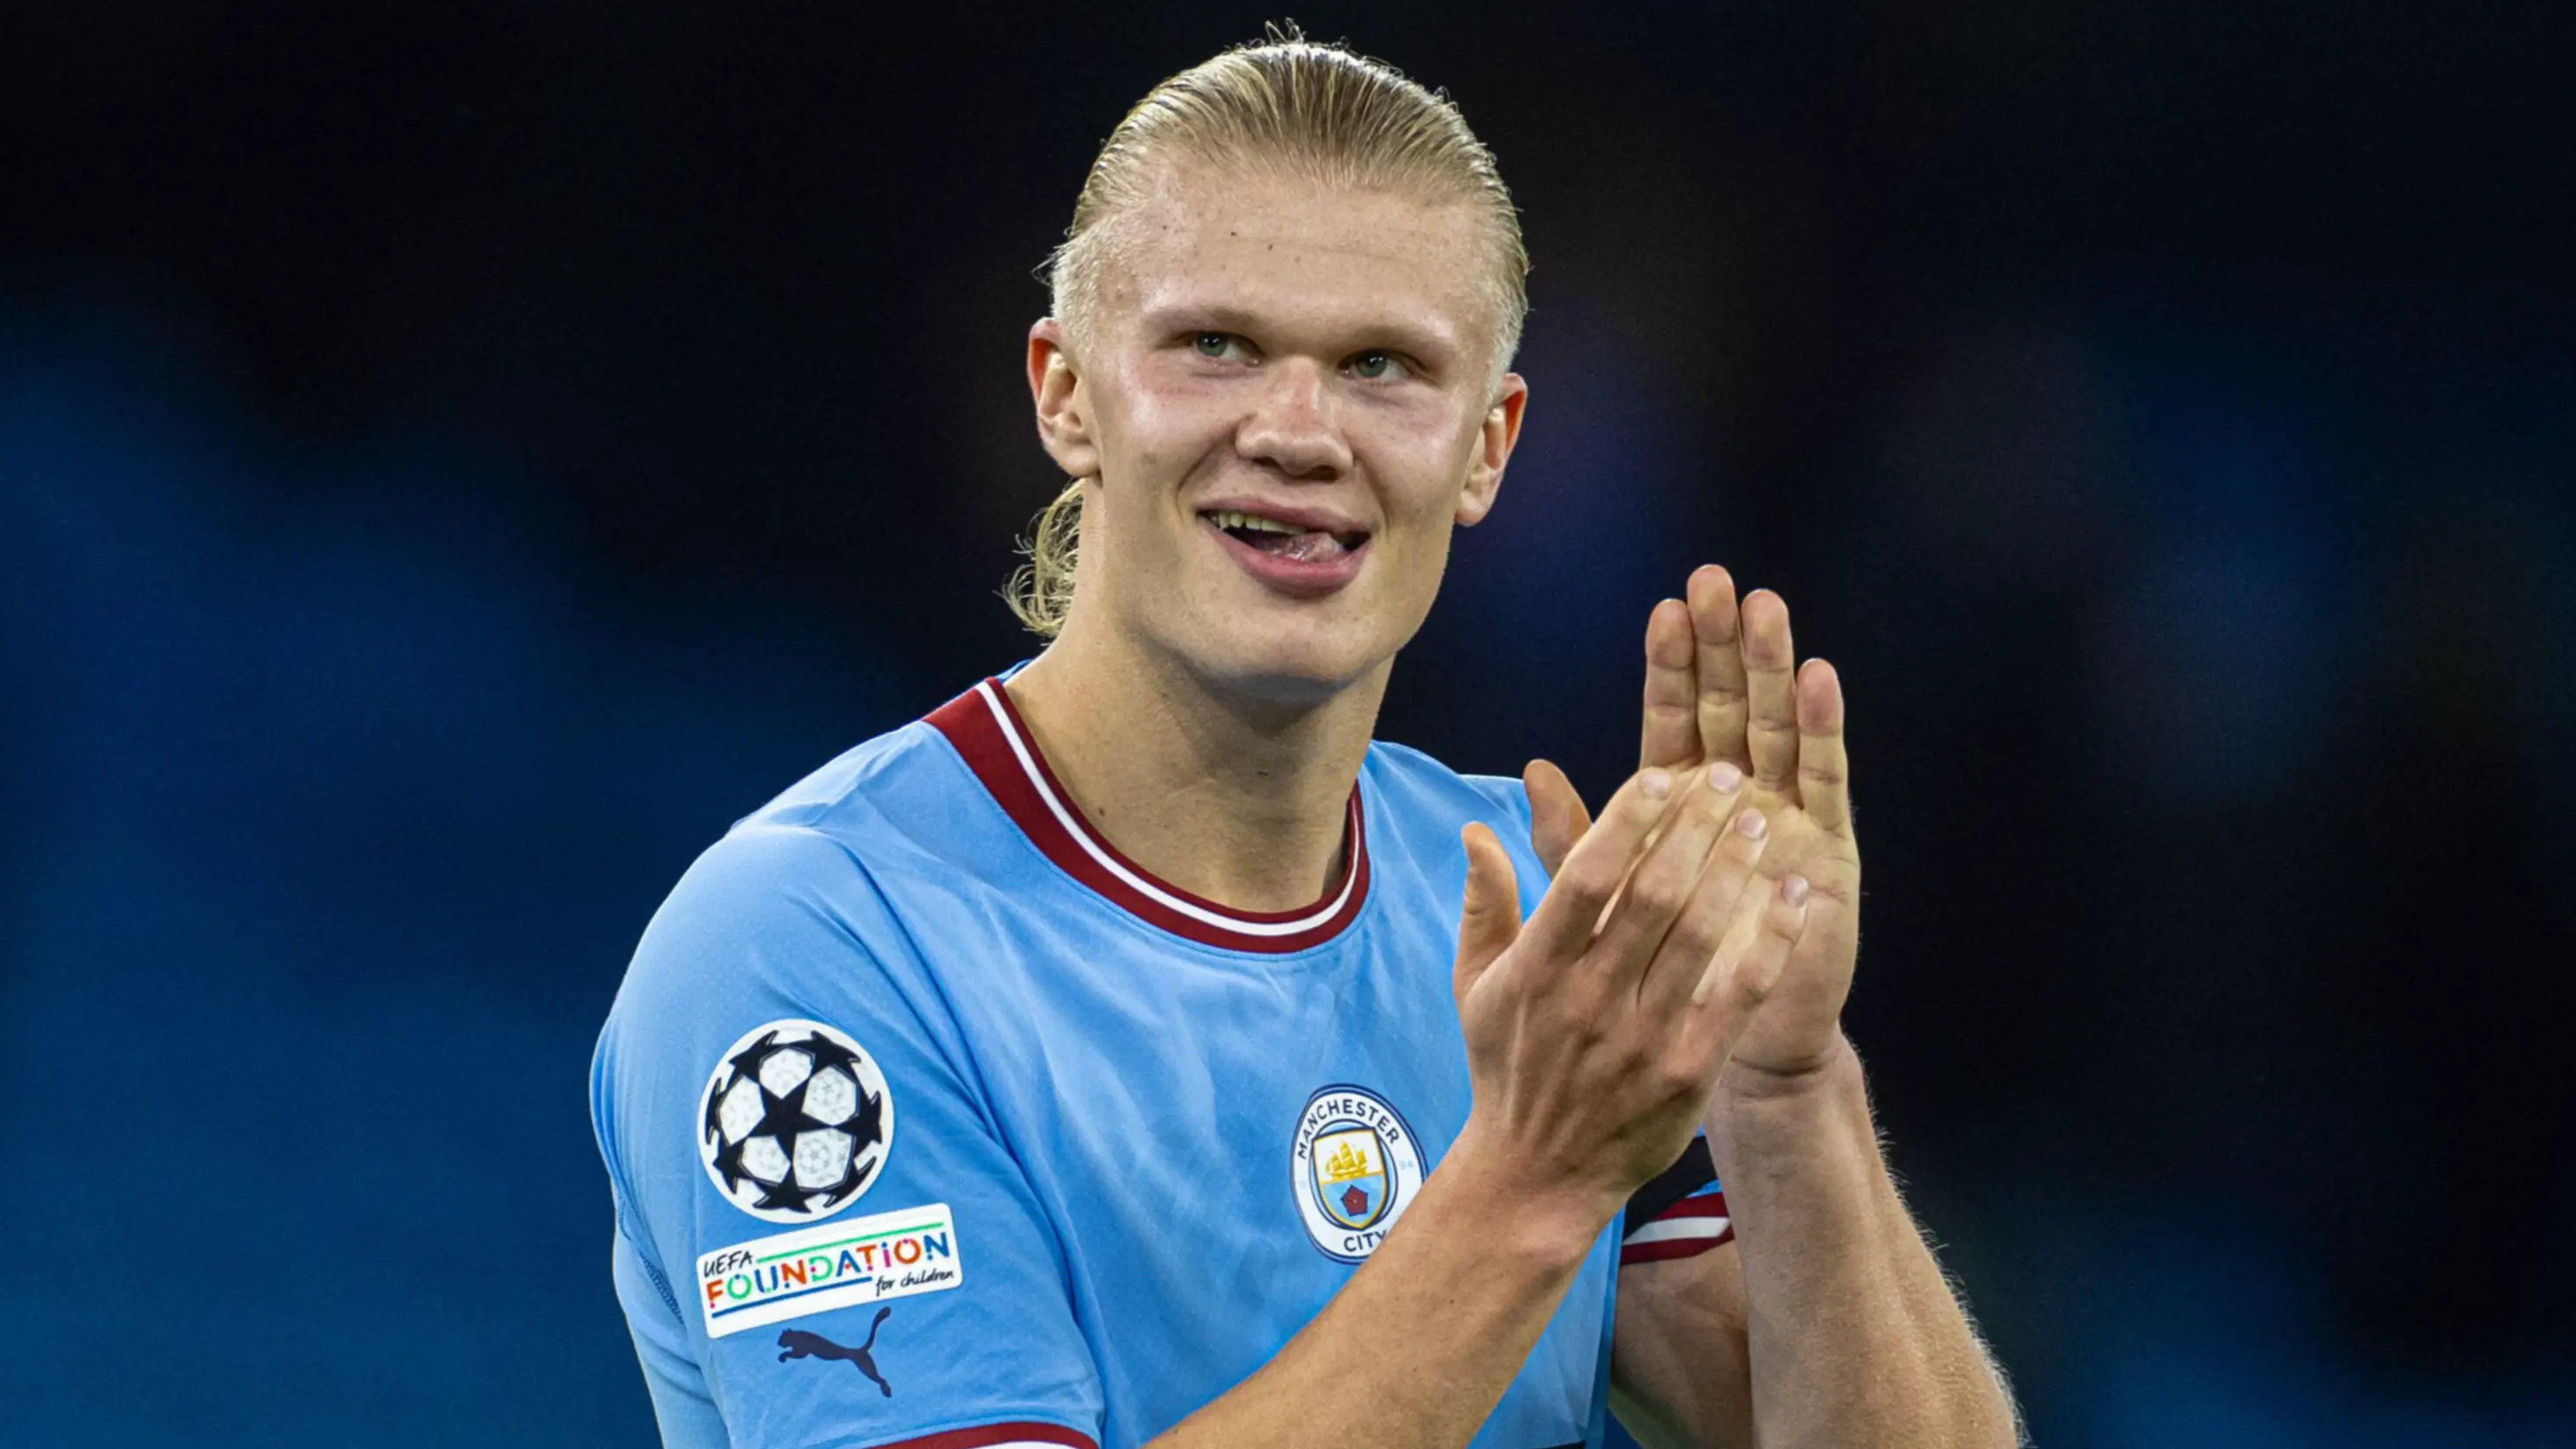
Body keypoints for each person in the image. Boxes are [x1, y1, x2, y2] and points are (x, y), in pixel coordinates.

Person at [590, 34, 2020, 1449]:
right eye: (1216, 346)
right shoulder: (815, 939)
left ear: (1489, 447)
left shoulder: (1528, 911)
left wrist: (1786, 1089)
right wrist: (1527, 1184)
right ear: (1065, 393)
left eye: (1382, 366)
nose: (1297, 430)